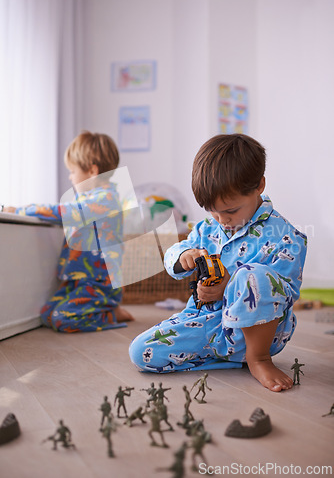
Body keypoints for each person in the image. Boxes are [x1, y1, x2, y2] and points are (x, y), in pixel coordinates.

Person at [129, 133, 307, 392]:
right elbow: (173, 258)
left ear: (259, 185)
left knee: (253, 275)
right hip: (210, 322)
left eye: (231, 211)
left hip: (260, 333)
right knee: (140, 353)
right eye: (212, 211)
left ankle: (257, 359)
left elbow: (286, 293)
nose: (221, 220)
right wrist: (183, 258)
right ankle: (230, 360)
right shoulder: (206, 229)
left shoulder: (286, 237)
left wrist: (229, 288)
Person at [3, 131, 134, 332]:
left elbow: (62, 212)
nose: (70, 177)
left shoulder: (106, 200)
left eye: (73, 171)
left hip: (99, 283)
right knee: (46, 313)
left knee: (61, 319)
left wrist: (21, 210)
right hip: (77, 280)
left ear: (91, 171)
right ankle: (104, 310)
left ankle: (109, 313)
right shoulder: (87, 200)